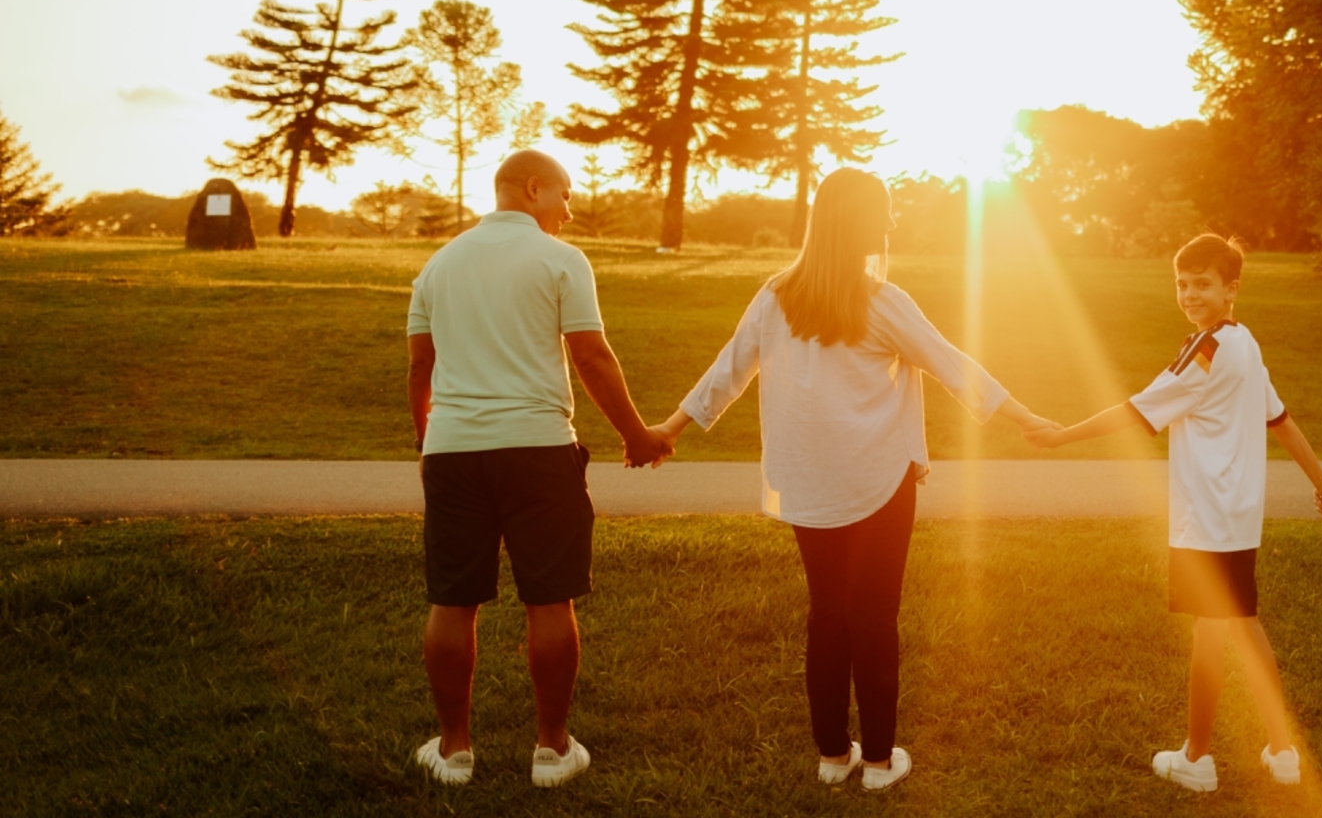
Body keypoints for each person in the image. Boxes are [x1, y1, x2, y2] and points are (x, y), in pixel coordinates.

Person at [653, 169, 1058, 792]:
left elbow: (727, 371)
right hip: (878, 480)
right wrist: (1026, 416)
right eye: (885, 211)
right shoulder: (882, 301)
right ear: (859, 222)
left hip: (808, 481)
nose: (892, 222)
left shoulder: (775, 296)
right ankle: (878, 764)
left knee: (828, 614)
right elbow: (953, 366)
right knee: (872, 618)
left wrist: (672, 427)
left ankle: (832, 756)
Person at [1027, 233, 1322, 793]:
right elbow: (1281, 420)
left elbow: (1136, 410)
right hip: (1238, 516)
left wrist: (1061, 436)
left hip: (1207, 518)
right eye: (1182, 283)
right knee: (1244, 626)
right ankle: (1282, 751)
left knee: (1211, 633)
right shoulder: (1244, 342)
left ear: (1231, 289)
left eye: (1203, 283)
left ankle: (1196, 759)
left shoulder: (1207, 349)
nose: (1190, 294)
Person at [406, 150, 674, 788]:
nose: (569, 211)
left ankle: (453, 751)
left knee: (452, 600)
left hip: (453, 452)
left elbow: (420, 368)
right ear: (533, 188)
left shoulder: (437, 266)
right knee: (550, 599)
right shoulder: (561, 259)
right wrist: (637, 436)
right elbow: (592, 356)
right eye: (565, 195)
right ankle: (552, 751)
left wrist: (429, 444)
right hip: (539, 449)